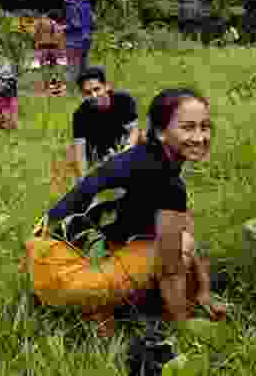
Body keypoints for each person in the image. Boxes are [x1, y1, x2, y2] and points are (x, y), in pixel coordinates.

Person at [31, 88, 227, 336]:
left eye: (205, 127)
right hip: (65, 276)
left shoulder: (139, 158)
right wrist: (184, 325)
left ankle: (100, 304)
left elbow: (183, 222)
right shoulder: (165, 180)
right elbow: (171, 267)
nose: (200, 137)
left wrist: (203, 288)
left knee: (171, 238)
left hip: (43, 262)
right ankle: (100, 307)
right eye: (188, 128)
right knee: (178, 249)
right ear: (160, 132)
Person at [70, 66, 142, 180]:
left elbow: (134, 131)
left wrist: (124, 155)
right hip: (100, 157)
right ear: (82, 94)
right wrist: (83, 182)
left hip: (124, 148)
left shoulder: (123, 100)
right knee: (72, 152)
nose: (94, 95)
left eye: (97, 89)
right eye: (88, 93)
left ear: (107, 86)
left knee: (145, 137)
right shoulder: (80, 115)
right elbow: (80, 151)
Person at [63, 0, 94, 92]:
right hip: (87, 39)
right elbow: (92, 22)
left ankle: (71, 91)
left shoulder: (70, 3)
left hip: (74, 40)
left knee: (72, 67)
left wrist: (62, 28)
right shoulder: (86, 3)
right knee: (83, 67)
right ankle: (87, 90)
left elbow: (75, 24)